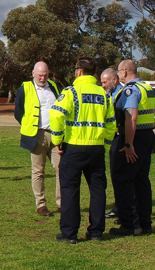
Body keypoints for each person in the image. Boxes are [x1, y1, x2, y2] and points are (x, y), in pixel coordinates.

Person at [50, 57, 117, 243]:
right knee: (98, 190)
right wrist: (105, 145)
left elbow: (55, 114)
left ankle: (69, 233)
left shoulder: (71, 91)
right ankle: (96, 232)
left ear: (78, 72)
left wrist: (57, 140)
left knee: (70, 190)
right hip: (96, 148)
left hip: (74, 147)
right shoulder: (104, 94)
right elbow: (111, 123)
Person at [110, 60, 155, 236]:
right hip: (147, 135)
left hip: (134, 137)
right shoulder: (147, 88)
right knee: (141, 180)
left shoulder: (130, 90)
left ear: (125, 72)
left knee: (123, 178)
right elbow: (152, 111)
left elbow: (131, 116)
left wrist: (128, 144)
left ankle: (130, 224)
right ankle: (145, 223)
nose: (118, 74)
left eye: (119, 71)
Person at [14, 61, 61, 217]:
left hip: (55, 134)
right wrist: (29, 126)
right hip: (36, 135)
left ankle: (62, 203)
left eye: (45, 75)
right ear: (33, 73)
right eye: (40, 75)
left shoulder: (54, 86)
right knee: (38, 171)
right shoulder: (24, 88)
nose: (43, 78)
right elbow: (18, 112)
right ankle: (41, 204)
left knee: (61, 168)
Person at [99, 67, 122, 220]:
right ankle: (119, 207)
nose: (103, 86)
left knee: (119, 175)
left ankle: (121, 209)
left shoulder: (121, 93)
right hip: (112, 139)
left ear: (114, 80)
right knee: (115, 174)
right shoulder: (109, 94)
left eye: (105, 82)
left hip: (120, 138)